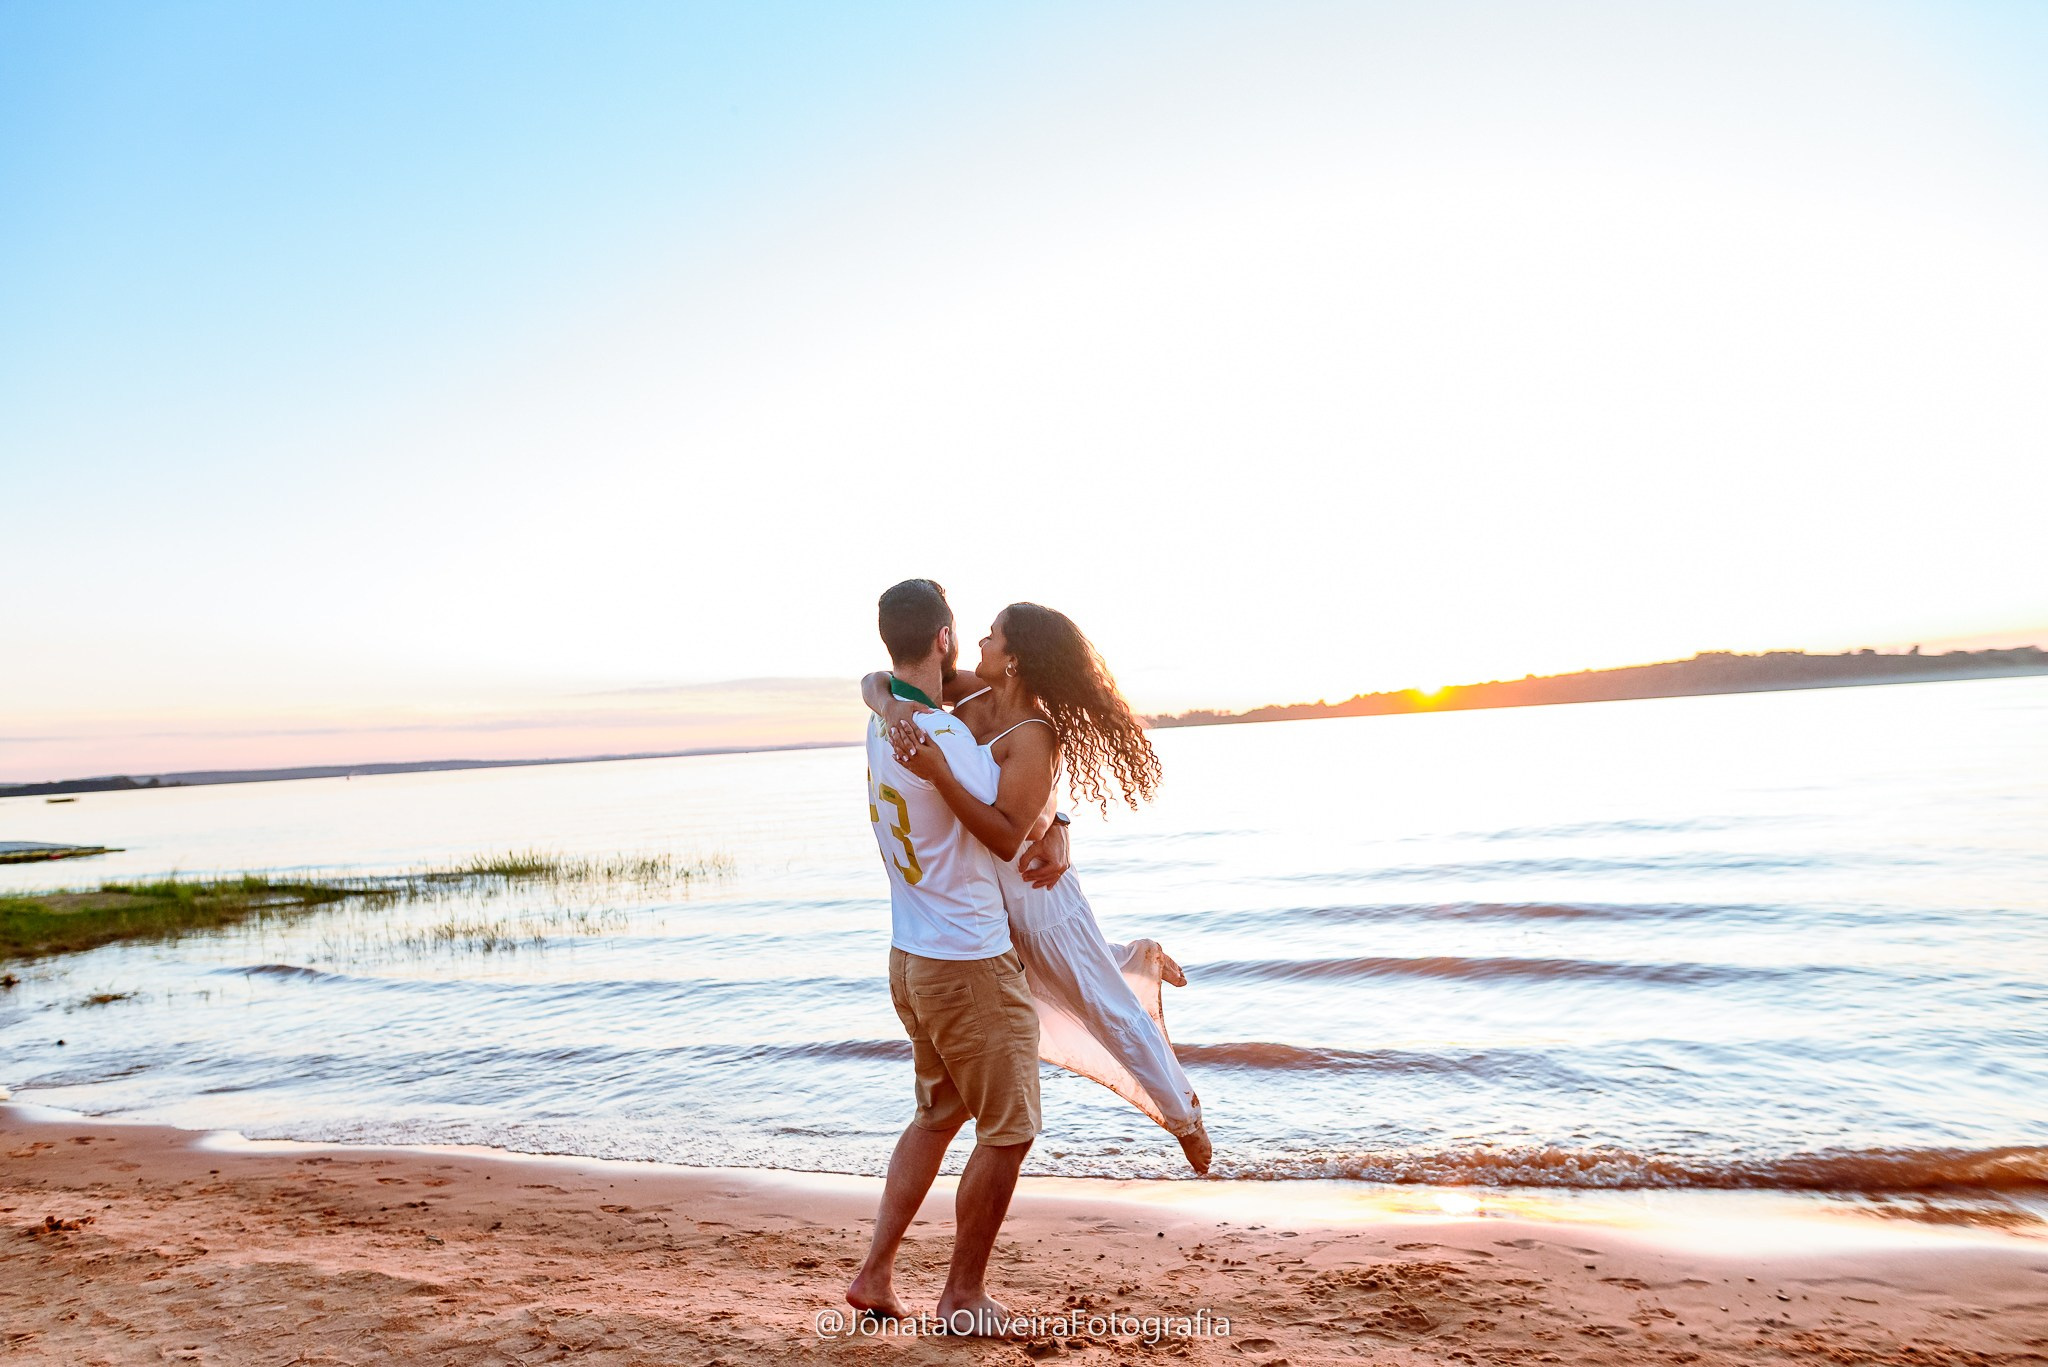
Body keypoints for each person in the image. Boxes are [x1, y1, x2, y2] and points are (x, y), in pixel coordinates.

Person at [861, 600, 1212, 1175]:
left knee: (1105, 1010)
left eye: (993, 636)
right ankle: (1136, 959)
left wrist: (1054, 826)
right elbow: (880, 677)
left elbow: (1011, 828)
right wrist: (888, 704)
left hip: (1039, 898)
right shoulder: (971, 695)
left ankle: (1184, 1117)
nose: (981, 641)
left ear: (1016, 660)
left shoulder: (1034, 733)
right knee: (1066, 993)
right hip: (993, 903)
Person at [845, 579, 1070, 1336]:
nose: (974, 643)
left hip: (911, 957)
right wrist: (1055, 824)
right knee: (1010, 1129)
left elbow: (876, 685)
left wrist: (1057, 821)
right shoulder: (941, 739)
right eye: (963, 632)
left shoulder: (884, 721)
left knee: (938, 1114)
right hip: (968, 963)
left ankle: (876, 1274)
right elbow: (1011, 824)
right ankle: (962, 1295)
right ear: (943, 638)